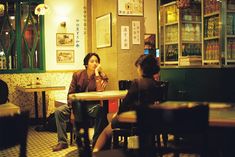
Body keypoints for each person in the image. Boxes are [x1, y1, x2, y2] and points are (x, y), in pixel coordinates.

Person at [93, 54, 161, 152]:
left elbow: (124, 106)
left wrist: (116, 115)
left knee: (105, 131)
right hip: (149, 121)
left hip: (132, 122)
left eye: (138, 67)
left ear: (142, 68)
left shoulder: (137, 83)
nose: (137, 70)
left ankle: (95, 152)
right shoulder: (156, 85)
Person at [52, 52, 108, 152]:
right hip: (76, 105)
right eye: (92, 61)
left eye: (96, 61)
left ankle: (96, 142)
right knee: (59, 111)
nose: (94, 63)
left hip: (91, 106)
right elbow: (71, 93)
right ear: (86, 64)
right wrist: (73, 111)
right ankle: (62, 142)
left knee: (101, 111)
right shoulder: (77, 74)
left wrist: (96, 74)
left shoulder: (102, 76)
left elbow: (100, 91)